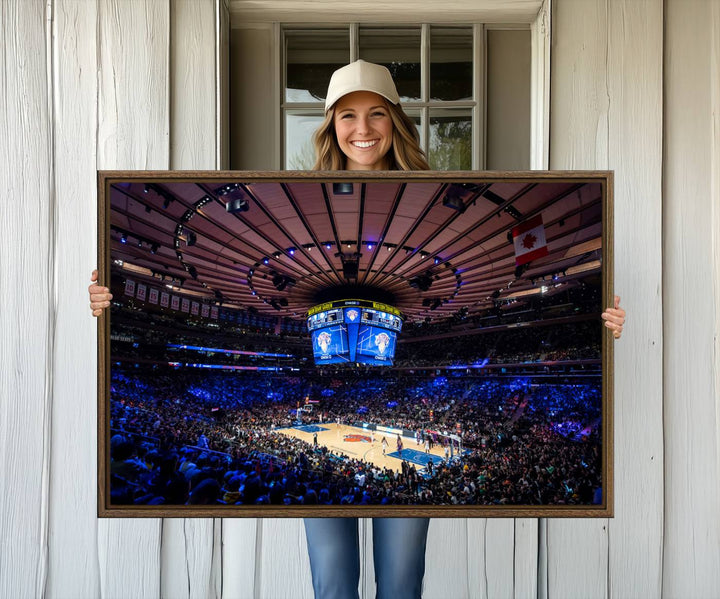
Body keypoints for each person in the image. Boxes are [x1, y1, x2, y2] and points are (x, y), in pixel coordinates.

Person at [88, 59, 627, 599]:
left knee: (400, 584)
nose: (362, 129)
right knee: (333, 585)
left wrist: (601, 320)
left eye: (376, 114)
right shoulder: (293, 189)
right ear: (330, 125)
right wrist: (107, 299)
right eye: (347, 115)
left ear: (395, 120)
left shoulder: (435, 190)